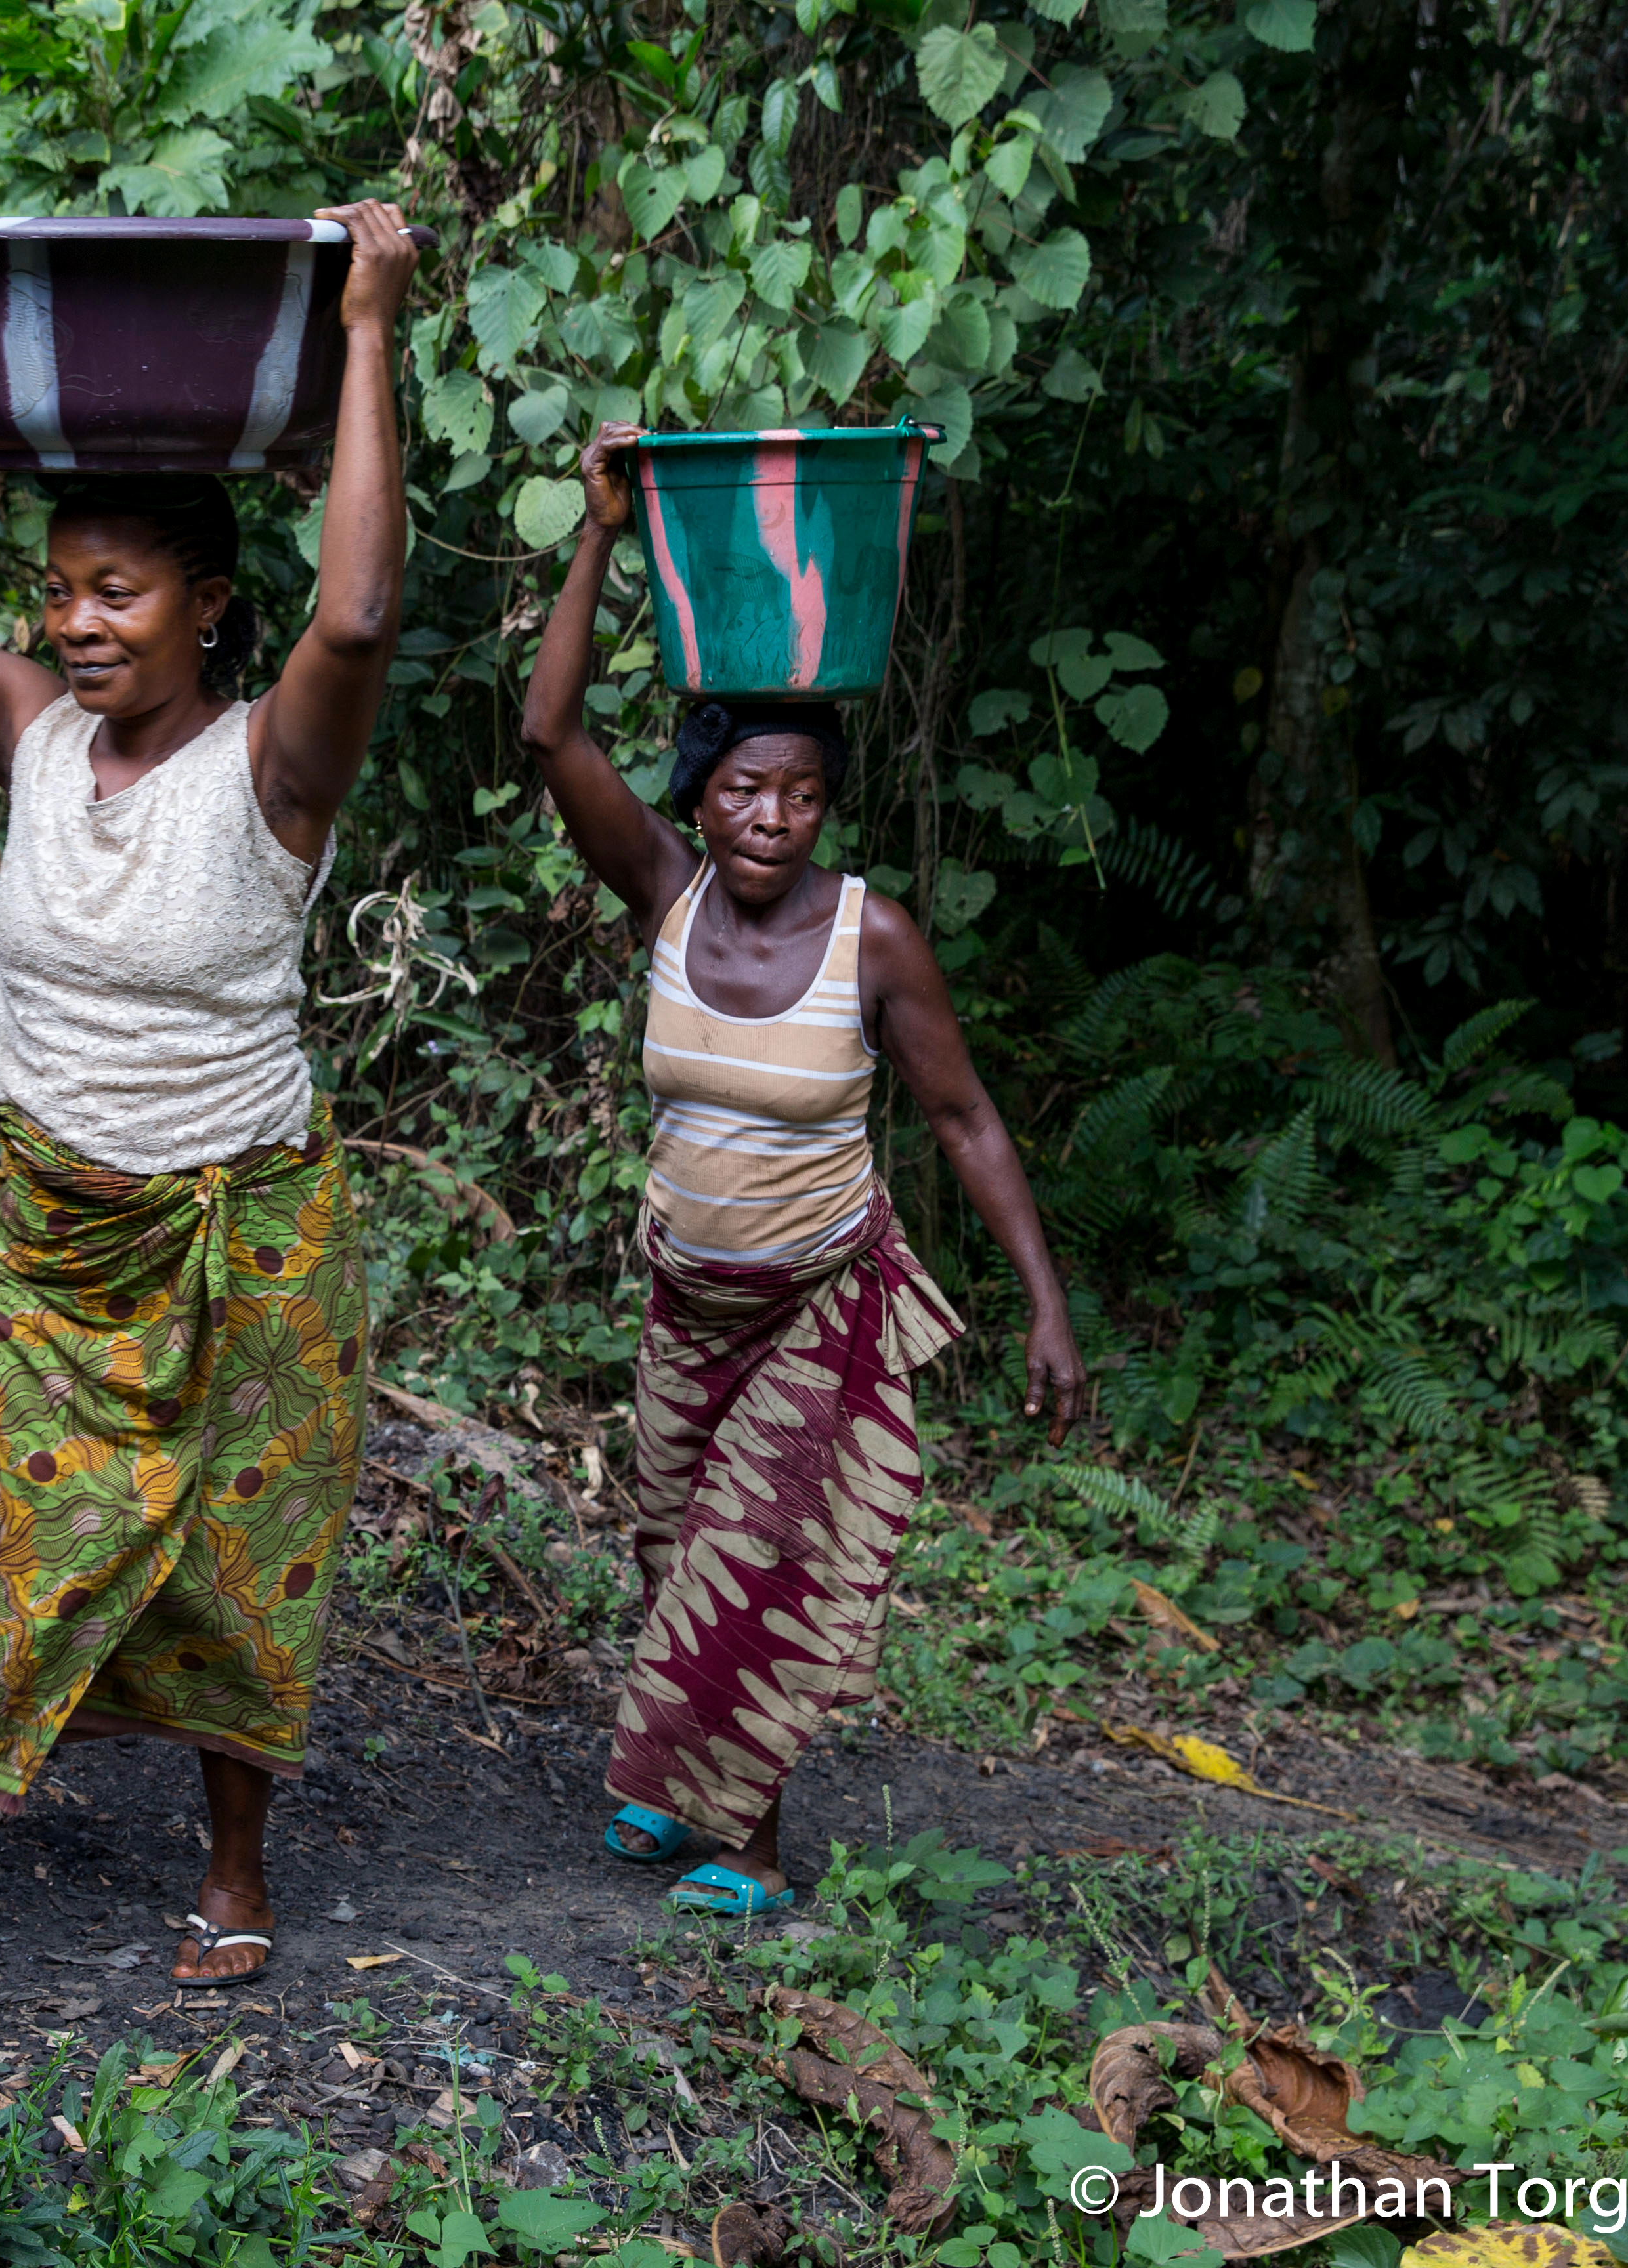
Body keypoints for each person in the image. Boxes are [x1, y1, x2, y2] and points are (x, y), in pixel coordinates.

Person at [0, 204, 421, 2002]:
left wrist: (366, 327)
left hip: (241, 1231)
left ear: (208, 602)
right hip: (49, 1233)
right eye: (59, 588)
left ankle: (234, 1871)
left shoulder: (273, 767)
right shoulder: (29, 733)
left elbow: (357, 610)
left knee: (231, 1564)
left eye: (117, 590)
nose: (77, 620)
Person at [516, 422, 1085, 1916]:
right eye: (744, 792)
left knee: (761, 1560)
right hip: (683, 1298)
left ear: (827, 805)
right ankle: (673, 1783)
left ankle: (750, 1849)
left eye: (800, 796)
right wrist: (598, 531)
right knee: (668, 1551)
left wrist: (1045, 1303)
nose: (771, 819)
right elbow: (549, 738)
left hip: (819, 1304)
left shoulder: (871, 938)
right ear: (701, 795)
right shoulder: (665, 889)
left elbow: (966, 1123)